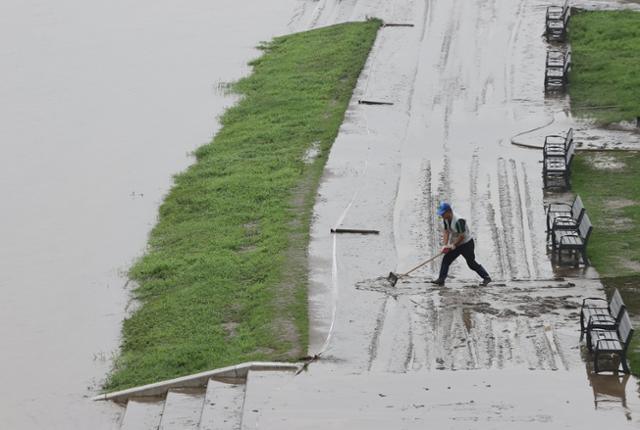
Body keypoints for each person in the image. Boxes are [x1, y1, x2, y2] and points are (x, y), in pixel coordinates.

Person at [431, 202, 491, 286]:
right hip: (456, 243)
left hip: (467, 244)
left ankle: (486, 277)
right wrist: (445, 245)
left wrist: (453, 245)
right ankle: (441, 279)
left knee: (471, 263)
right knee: (446, 259)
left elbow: (462, 236)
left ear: (449, 211)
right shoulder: (446, 219)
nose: (442, 216)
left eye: (443, 213)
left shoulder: (459, 220)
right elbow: (446, 231)